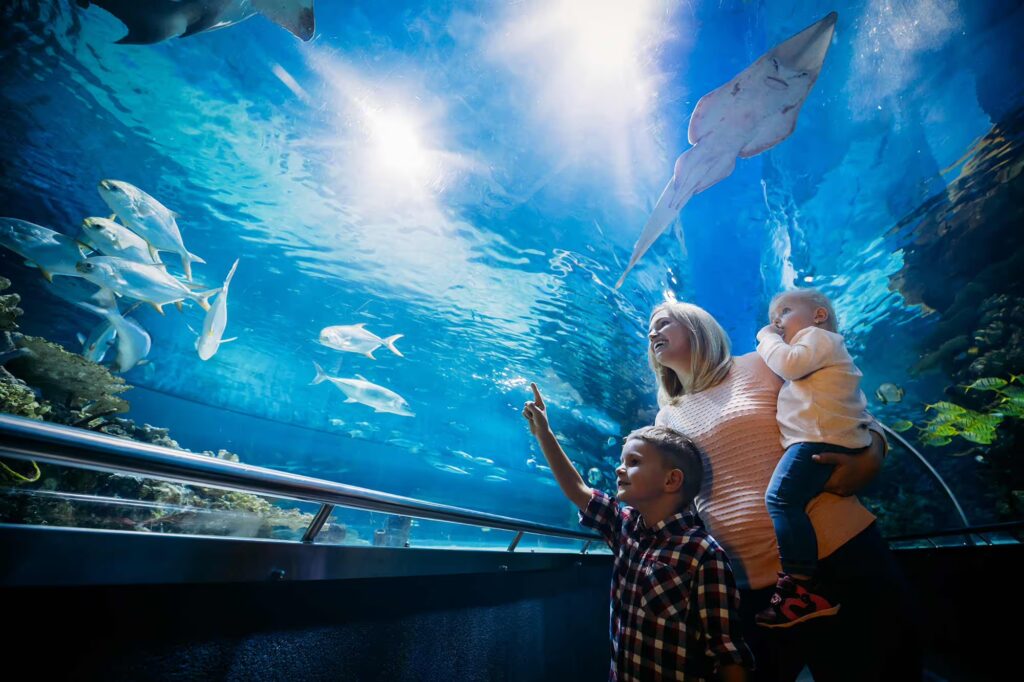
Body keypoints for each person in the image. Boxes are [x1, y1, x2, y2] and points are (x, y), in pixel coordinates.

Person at [648, 300, 920, 681]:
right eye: (651, 328)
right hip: (749, 585)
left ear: (697, 326)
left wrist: (873, 453)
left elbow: (845, 405)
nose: (652, 332)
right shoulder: (666, 417)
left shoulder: (761, 364)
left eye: (663, 322)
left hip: (837, 555)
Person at [523, 383, 754, 681]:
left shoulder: (703, 554)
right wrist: (544, 431)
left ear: (672, 480)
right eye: (622, 461)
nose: (620, 469)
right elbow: (577, 489)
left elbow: (727, 653)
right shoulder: (624, 526)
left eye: (633, 462)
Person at [753, 289, 871, 628]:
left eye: (785, 311)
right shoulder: (821, 349)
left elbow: (789, 364)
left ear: (818, 316)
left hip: (818, 437)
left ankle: (801, 587)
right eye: (773, 316)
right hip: (825, 435)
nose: (776, 321)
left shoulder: (818, 338)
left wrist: (765, 337)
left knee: (780, 499)